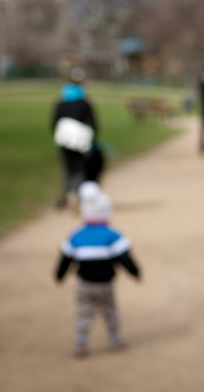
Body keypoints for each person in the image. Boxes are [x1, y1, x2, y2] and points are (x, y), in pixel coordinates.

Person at [54, 181, 141, 358]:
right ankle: (114, 337)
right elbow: (125, 257)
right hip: (106, 285)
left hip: (84, 285)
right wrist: (135, 273)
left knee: (84, 313)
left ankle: (80, 341)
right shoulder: (112, 235)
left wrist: (59, 275)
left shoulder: (76, 235)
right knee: (110, 311)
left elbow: (65, 258)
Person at [51, 67, 97, 210]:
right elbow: (93, 123)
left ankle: (66, 198)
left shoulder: (61, 102)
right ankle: (76, 195)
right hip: (80, 142)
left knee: (67, 170)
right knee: (79, 170)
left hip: (64, 141)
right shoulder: (85, 103)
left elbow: (53, 123)